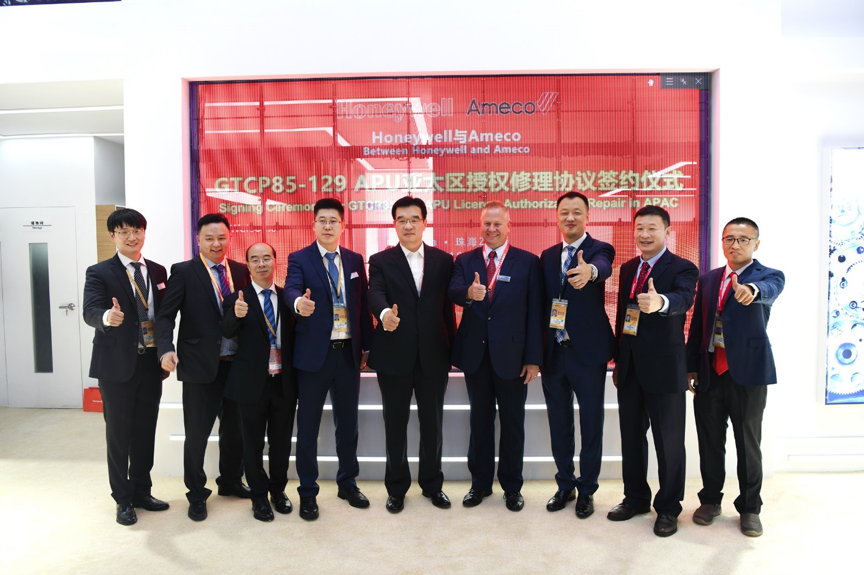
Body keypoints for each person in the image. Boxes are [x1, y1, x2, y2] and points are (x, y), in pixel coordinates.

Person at [686, 217, 785, 538]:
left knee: (748, 443)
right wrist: (692, 365)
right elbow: (698, 324)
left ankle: (750, 508)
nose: (735, 245)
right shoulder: (708, 279)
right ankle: (710, 500)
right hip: (710, 372)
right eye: (729, 238)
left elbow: (769, 290)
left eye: (743, 239)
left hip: (748, 375)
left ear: (756, 244)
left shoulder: (768, 276)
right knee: (710, 442)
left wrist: (751, 291)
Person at [608, 205, 698, 537]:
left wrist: (661, 303)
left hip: (665, 369)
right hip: (630, 368)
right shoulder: (628, 268)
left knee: (668, 442)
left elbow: (683, 298)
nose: (644, 235)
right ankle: (635, 499)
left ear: (667, 232)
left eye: (652, 229)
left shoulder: (683, 267)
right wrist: (618, 360)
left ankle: (669, 508)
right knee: (631, 438)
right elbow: (623, 316)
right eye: (640, 228)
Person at [448, 201, 543, 511]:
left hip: (513, 358)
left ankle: (512, 487)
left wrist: (533, 358)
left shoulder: (527, 262)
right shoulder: (465, 260)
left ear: (508, 226)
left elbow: (535, 312)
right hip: (476, 356)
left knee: (513, 423)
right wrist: (468, 293)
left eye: (497, 224)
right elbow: (452, 291)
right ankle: (480, 484)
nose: (491, 229)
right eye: (486, 224)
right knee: (480, 421)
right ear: (481, 226)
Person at [155, 213, 250, 521]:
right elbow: (166, 315)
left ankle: (230, 481)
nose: (216, 244)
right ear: (198, 240)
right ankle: (196, 493)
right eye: (209, 238)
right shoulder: (184, 271)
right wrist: (166, 348)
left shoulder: (240, 270)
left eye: (221, 238)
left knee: (235, 431)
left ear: (229, 238)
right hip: (200, 366)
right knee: (197, 434)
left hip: (236, 365)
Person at [284, 198, 374, 521]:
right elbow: (291, 290)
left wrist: (367, 347)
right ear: (313, 225)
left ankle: (347, 483)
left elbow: (362, 305)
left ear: (342, 225)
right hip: (313, 358)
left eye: (333, 221)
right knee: (308, 428)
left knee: (347, 426)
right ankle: (308, 492)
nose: (327, 226)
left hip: (347, 354)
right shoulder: (300, 258)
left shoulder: (354, 259)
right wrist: (299, 304)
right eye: (322, 220)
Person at [367, 196, 456, 513]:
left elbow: (447, 309)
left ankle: (432, 485)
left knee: (433, 425)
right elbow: (374, 293)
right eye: (401, 219)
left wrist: (453, 349)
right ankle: (396, 488)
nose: (408, 225)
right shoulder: (380, 260)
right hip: (394, 355)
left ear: (424, 222)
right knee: (395, 424)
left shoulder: (443, 260)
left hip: (434, 355)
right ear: (394, 224)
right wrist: (383, 314)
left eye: (414, 219)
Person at [82, 208, 170, 526]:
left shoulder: (157, 271)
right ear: (113, 236)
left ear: (144, 233)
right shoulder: (99, 272)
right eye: (124, 232)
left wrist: (167, 350)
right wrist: (108, 317)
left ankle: (142, 492)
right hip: (116, 366)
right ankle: (122, 499)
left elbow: (163, 316)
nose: (132, 237)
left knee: (145, 431)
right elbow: (90, 310)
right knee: (119, 435)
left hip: (150, 364)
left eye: (137, 230)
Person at [539, 191, 616, 518]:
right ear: (557, 217)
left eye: (576, 212)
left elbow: (603, 267)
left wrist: (590, 273)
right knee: (559, 424)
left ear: (587, 216)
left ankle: (587, 490)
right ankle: (565, 485)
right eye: (564, 212)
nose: (570, 218)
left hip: (588, 354)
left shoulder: (600, 249)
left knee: (591, 423)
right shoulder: (547, 256)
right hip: (554, 354)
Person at [222, 243, 297, 522]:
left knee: (281, 442)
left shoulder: (287, 298)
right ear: (248, 266)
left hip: (283, 382)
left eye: (266, 258)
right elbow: (226, 330)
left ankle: (278, 491)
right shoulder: (237, 298)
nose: (261, 263)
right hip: (250, 383)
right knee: (251, 443)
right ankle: (258, 496)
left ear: (275, 261)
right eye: (255, 259)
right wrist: (236, 314)